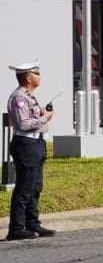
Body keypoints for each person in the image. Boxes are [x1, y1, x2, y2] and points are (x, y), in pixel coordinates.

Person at [7, 58, 55, 241]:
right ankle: (17, 228)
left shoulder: (28, 96)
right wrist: (45, 119)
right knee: (24, 188)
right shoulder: (19, 97)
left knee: (35, 187)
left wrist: (42, 113)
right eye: (37, 73)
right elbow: (23, 123)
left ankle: (32, 224)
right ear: (28, 77)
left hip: (36, 145)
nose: (39, 77)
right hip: (26, 145)